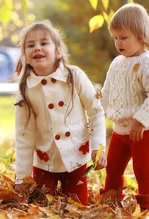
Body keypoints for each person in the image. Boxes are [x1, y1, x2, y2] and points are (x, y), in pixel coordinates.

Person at [13, 20, 106, 205]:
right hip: (44, 162)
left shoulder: (75, 76)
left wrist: (98, 147)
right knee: (42, 206)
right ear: (25, 56)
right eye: (30, 45)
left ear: (58, 52)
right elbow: (24, 135)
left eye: (44, 43)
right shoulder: (26, 89)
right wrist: (22, 177)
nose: (37, 48)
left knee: (77, 207)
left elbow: (96, 112)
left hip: (75, 160)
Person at [98, 3, 149, 210]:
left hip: (144, 131)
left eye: (124, 37)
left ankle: (147, 207)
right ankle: (111, 200)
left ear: (141, 35)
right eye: (115, 38)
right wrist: (97, 105)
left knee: (143, 170)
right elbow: (108, 91)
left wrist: (140, 120)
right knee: (113, 168)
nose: (118, 43)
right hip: (120, 129)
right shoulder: (117, 63)